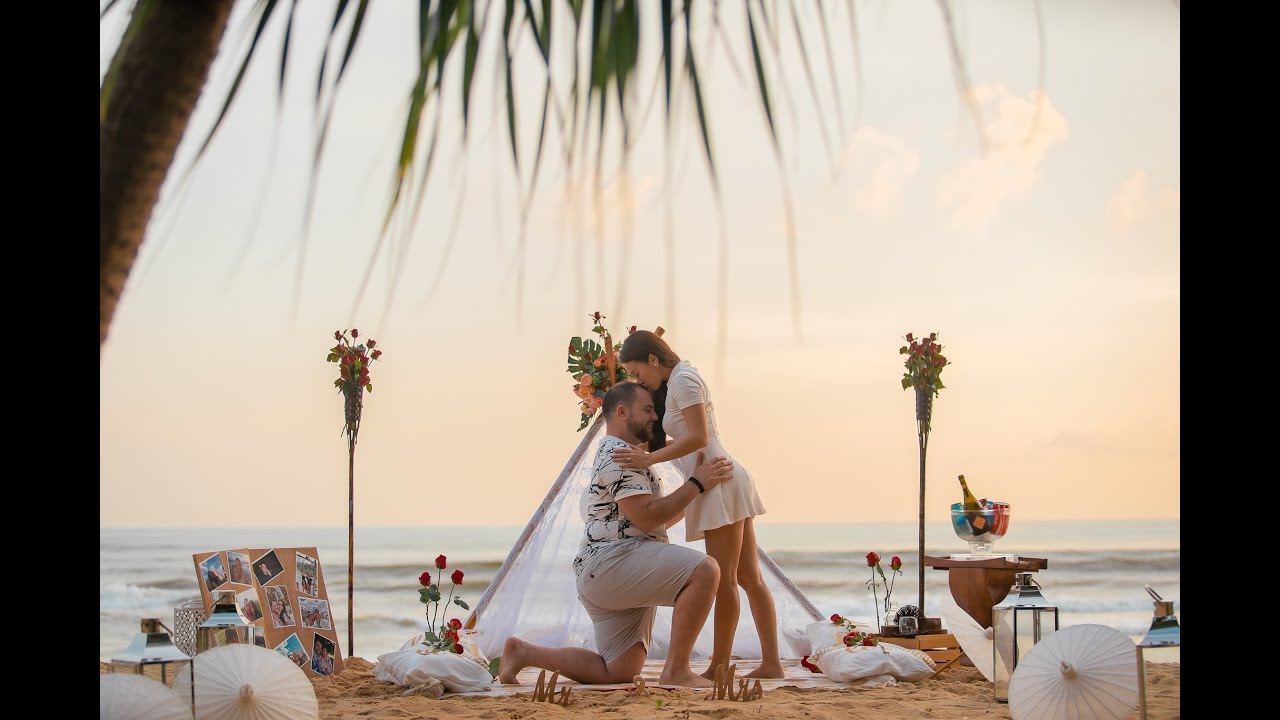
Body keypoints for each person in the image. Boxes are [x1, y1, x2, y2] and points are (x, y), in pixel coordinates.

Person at [498, 381, 735, 688]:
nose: (655, 417)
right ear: (622, 412)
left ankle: (522, 652)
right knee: (705, 570)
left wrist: (699, 490)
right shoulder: (619, 454)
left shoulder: (625, 454)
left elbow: (656, 517)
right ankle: (677, 670)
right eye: (647, 409)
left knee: (619, 672)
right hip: (615, 562)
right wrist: (695, 484)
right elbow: (647, 518)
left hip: (608, 571)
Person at [611, 330, 782, 679]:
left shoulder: (685, 379)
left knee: (727, 580)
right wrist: (645, 451)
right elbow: (688, 436)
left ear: (653, 360)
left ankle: (720, 666)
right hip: (720, 477)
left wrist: (649, 459)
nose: (638, 379)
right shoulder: (677, 383)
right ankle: (772, 665)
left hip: (718, 481)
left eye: (638, 371)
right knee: (749, 577)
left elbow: (700, 437)